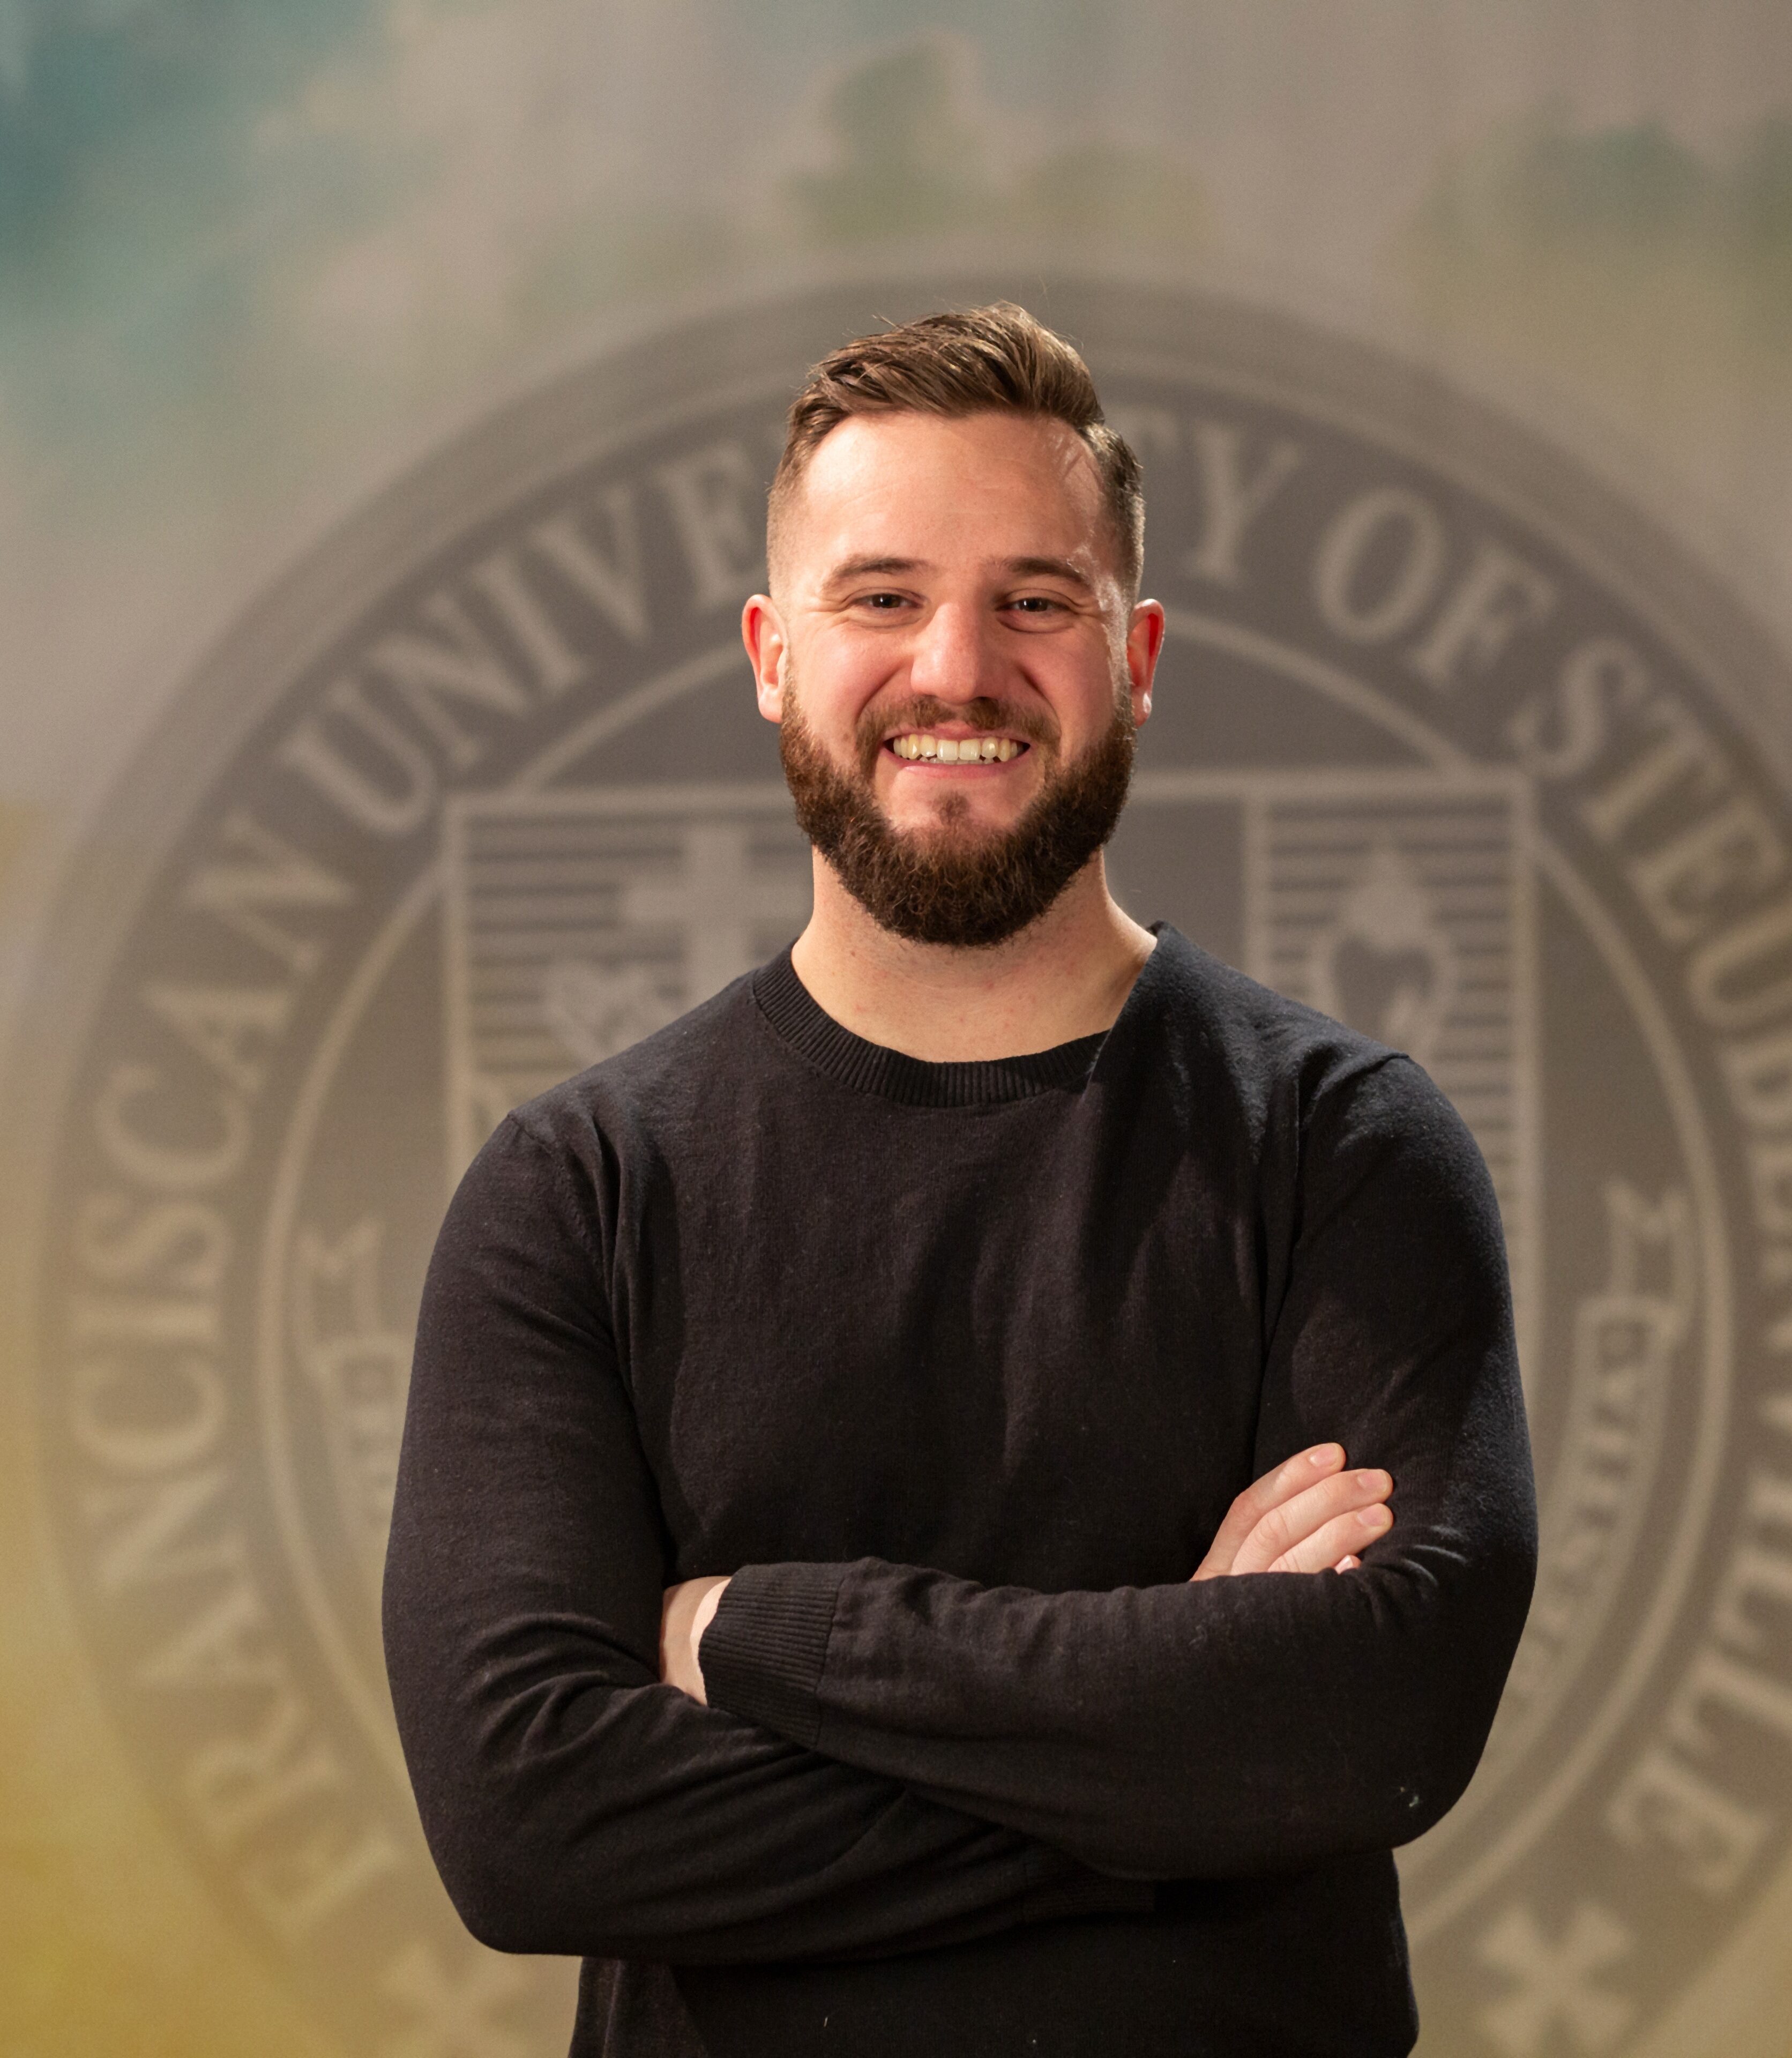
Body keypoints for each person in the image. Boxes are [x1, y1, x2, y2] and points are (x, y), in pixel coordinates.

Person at [384, 303, 1536, 2057]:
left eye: (1036, 601)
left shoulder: (1346, 1151)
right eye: (881, 597)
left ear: (1136, 652)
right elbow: (529, 1824)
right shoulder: (579, 1192)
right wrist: (1173, 1757)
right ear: (771, 652)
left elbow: (1370, 1722)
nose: (956, 667)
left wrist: (771, 1635)